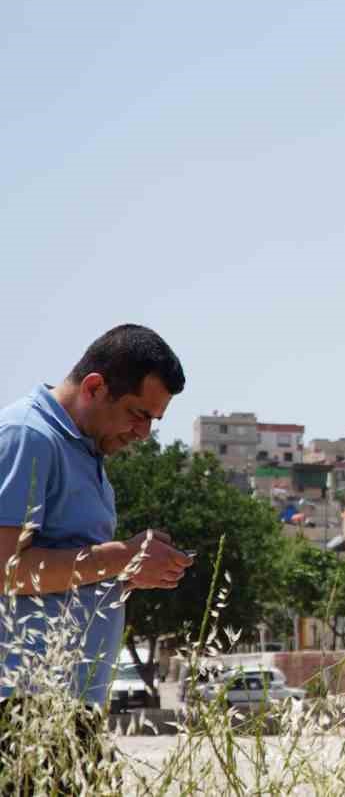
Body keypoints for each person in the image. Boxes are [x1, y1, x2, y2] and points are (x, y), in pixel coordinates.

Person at [0, 325, 195, 788]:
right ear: (94, 386)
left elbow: (55, 574)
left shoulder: (84, 449)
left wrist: (127, 573)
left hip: (69, 707)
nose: (144, 433)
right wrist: (117, 559)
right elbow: (5, 569)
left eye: (154, 421)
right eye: (137, 414)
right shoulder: (29, 436)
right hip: (22, 707)